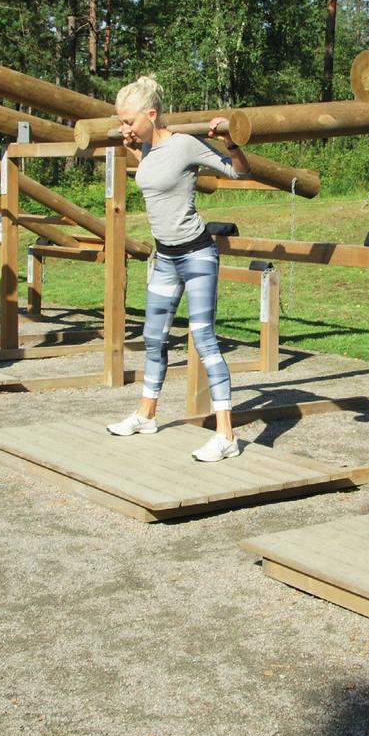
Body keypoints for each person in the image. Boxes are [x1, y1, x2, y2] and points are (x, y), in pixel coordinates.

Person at [105, 76, 252, 462]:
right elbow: (157, 180)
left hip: (197, 255)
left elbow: (239, 171)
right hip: (165, 258)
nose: (124, 128)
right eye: (121, 122)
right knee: (153, 338)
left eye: (129, 122)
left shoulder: (186, 145)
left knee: (204, 341)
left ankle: (226, 436)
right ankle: (146, 414)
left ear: (151, 114)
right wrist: (137, 151)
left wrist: (231, 142)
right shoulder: (149, 148)